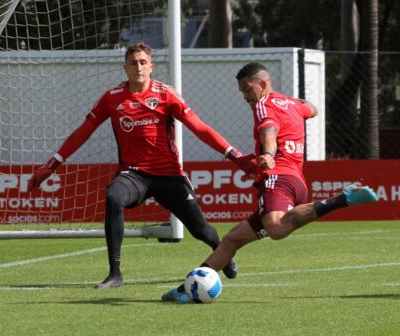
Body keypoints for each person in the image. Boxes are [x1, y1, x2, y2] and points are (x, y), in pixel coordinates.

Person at [28, 42, 256, 289]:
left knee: (201, 230)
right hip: (134, 174)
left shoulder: (165, 94)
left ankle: (222, 252)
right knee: (114, 197)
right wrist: (51, 165)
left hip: (169, 175)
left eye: (143, 62)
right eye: (133, 63)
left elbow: (199, 128)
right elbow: (83, 132)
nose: (138, 67)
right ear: (124, 68)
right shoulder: (112, 98)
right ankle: (115, 273)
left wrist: (235, 156)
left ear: (151, 67)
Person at [161, 62, 378, 303]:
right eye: (242, 91)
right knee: (233, 239)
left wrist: (269, 154)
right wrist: (287, 102)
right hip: (297, 184)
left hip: (278, 178)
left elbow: (269, 131)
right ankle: (187, 289)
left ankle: (343, 198)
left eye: (247, 89)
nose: (245, 96)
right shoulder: (292, 104)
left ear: (263, 85)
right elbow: (313, 109)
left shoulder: (263, 106)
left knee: (275, 227)